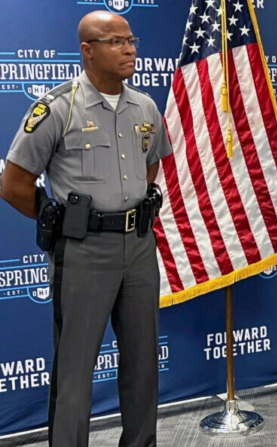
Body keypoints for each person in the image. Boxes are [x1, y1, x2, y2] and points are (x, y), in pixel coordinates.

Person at [0, 11, 171, 447]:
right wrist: (65, 220)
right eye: (115, 41)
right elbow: (14, 183)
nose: (129, 49)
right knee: (75, 368)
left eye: (130, 39)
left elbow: (151, 164)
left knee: (142, 363)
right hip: (83, 252)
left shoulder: (145, 106)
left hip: (137, 248)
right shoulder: (58, 107)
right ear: (87, 50)